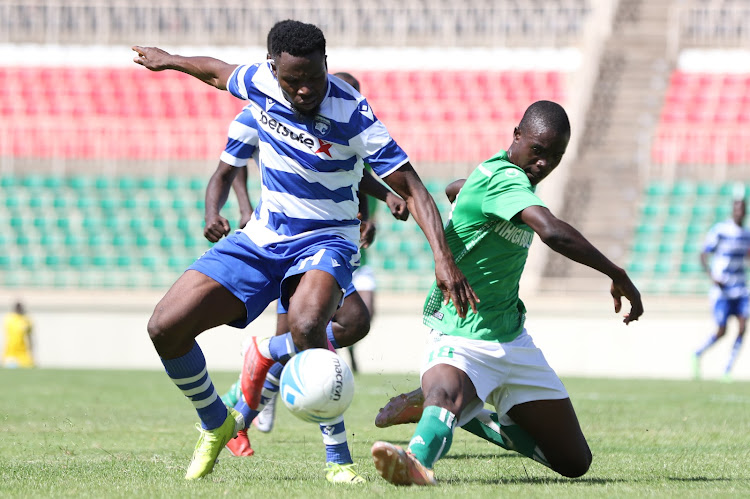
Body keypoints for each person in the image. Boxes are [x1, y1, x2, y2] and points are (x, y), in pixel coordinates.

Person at [132, 19, 477, 481]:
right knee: (164, 327)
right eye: (292, 81)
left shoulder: (353, 111)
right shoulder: (257, 81)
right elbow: (216, 71)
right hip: (262, 237)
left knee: (309, 321)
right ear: (273, 68)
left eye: (313, 78)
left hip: (327, 238)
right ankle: (216, 423)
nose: (304, 90)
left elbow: (412, 188)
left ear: (326, 65)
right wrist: (169, 59)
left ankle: (338, 461)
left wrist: (443, 258)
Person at [369, 100, 644, 486]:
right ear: (516, 135)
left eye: (555, 156)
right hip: (462, 329)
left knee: (574, 462)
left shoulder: (507, 181)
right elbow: (552, 231)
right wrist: (617, 273)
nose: (544, 163)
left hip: (513, 338)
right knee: (446, 396)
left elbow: (455, 189)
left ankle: (469, 413)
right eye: (538, 150)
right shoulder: (504, 179)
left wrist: (464, 193)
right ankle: (418, 457)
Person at [207, 71, 410, 474]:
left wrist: (376, 205)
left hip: (328, 243)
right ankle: (254, 411)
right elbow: (231, 166)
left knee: (351, 321)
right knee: (308, 331)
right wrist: (242, 208)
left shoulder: (345, 121)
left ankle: (259, 378)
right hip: (283, 240)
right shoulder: (260, 113)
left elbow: (351, 172)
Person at [693, 198, 750, 382]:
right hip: (722, 291)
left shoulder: (747, 234)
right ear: (733, 210)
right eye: (737, 208)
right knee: (722, 330)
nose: (739, 212)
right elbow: (703, 254)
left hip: (740, 288)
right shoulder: (721, 230)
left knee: (742, 327)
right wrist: (712, 276)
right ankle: (698, 353)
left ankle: (727, 370)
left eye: (742, 209)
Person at [2, 301, 34, 368]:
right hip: (11, 351)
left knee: (29, 366)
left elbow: (29, 335)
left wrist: (31, 349)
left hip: (23, 351)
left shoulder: (26, 319)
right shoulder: (10, 318)